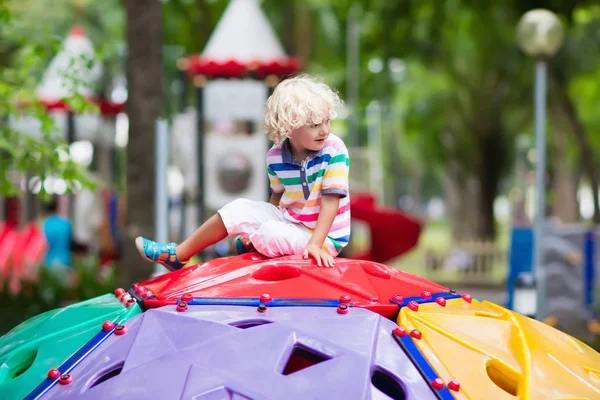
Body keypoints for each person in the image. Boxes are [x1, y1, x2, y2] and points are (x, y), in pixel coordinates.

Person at [136, 74, 351, 269]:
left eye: (326, 121)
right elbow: (276, 198)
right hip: (292, 224)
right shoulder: (275, 157)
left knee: (270, 233)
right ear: (289, 126)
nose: (324, 130)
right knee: (237, 209)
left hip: (323, 238)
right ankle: (179, 254)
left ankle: (253, 242)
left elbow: (330, 201)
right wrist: (263, 220)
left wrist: (315, 245)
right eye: (314, 125)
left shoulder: (334, 150)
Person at [41, 197, 73, 268]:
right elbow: (71, 242)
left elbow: (44, 245)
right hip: (65, 260)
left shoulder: (45, 224)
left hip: (49, 261)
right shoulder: (66, 223)